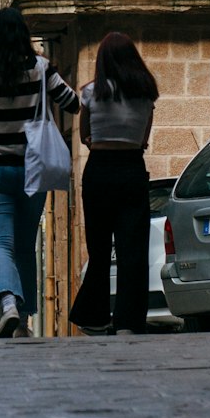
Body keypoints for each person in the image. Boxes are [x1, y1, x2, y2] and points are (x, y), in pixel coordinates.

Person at [0, 7, 79, 338]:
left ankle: (8, 303)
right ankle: (25, 322)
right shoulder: (41, 69)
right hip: (32, 170)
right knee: (27, 245)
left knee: (2, 243)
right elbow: (71, 103)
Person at [69, 31, 159, 337]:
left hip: (99, 170)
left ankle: (94, 314)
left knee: (99, 247)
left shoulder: (91, 92)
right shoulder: (146, 94)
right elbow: (144, 138)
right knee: (132, 250)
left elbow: (84, 136)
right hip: (132, 168)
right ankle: (129, 321)